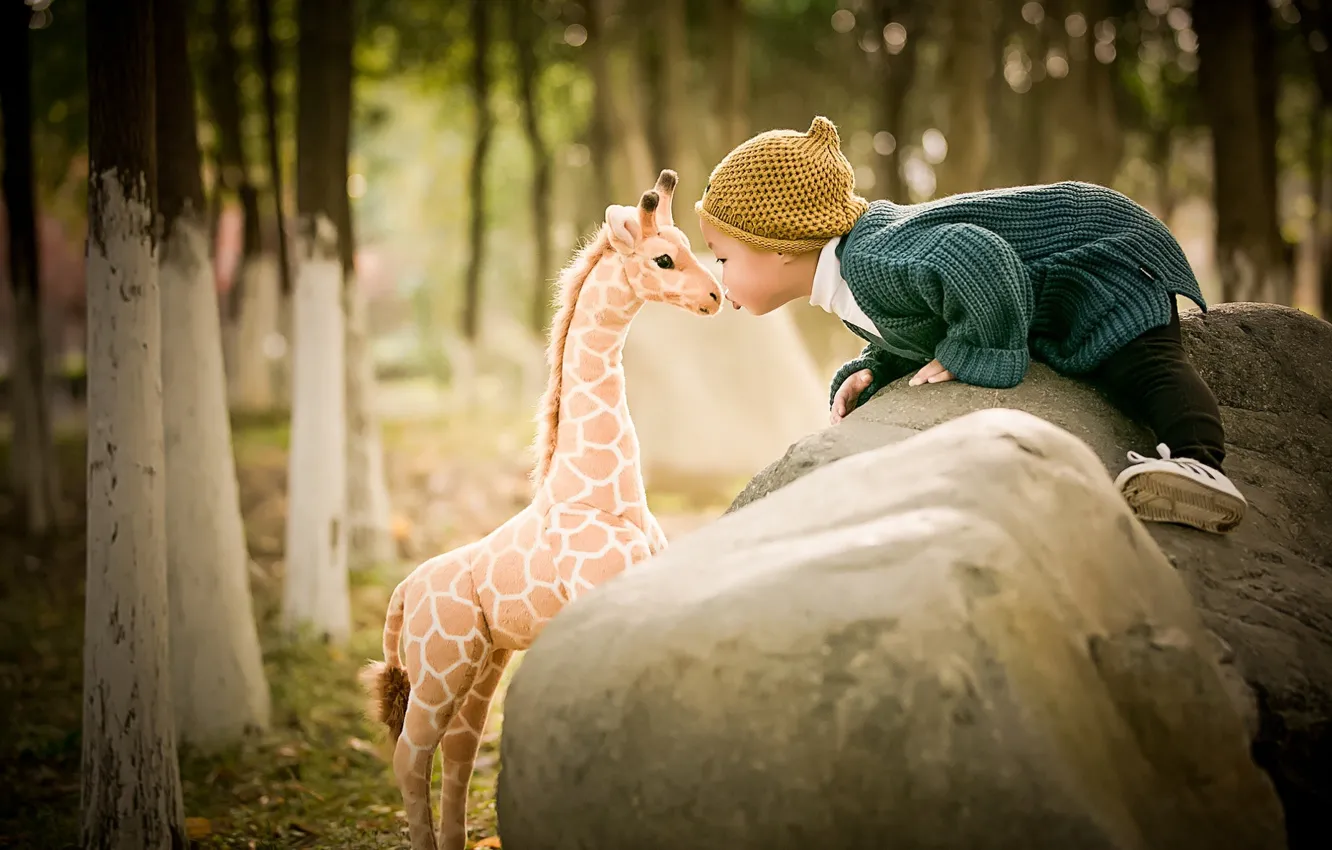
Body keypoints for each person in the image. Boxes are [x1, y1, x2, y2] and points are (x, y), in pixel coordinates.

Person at [694, 115, 1246, 534]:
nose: (719, 277)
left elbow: (981, 259)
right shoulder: (850, 277)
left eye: (723, 257)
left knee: (1144, 362)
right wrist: (878, 368)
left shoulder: (872, 258)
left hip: (1097, 255)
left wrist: (978, 352)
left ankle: (1199, 463)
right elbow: (926, 315)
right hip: (1068, 275)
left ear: (781, 245)